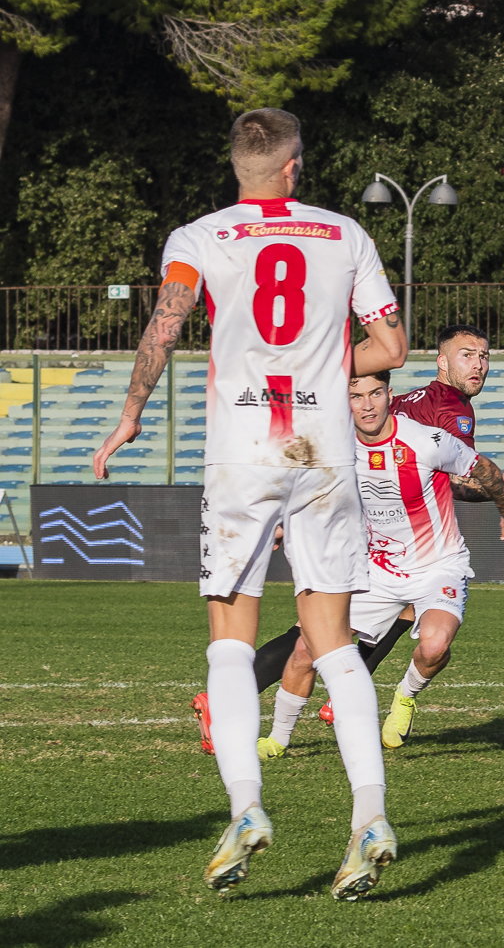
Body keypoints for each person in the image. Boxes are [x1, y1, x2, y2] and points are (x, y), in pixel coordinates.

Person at [91, 108, 410, 899]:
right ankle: (370, 815)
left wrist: (131, 412)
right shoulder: (346, 233)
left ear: (239, 166)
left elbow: (165, 327)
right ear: (294, 165)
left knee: (231, 642)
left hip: (244, 450)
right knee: (334, 642)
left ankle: (245, 807)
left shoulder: (198, 237)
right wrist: (323, 362)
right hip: (323, 449)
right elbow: (393, 348)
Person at [231, 323, 504, 735]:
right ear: (442, 361)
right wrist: (502, 492)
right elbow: (448, 482)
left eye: (484, 356)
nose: (478, 364)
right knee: (316, 633)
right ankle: (238, 700)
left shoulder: (415, 398)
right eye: (467, 355)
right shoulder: (453, 411)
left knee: (383, 614)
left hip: (363, 518)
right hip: (371, 528)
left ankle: (309, 696)